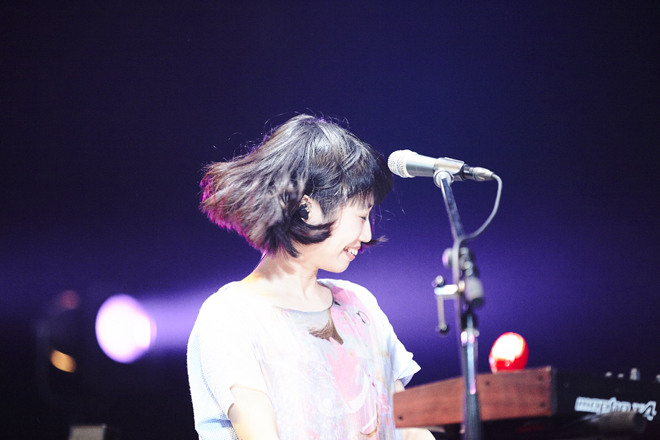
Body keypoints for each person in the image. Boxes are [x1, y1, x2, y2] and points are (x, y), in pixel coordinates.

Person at [187, 114, 434, 440]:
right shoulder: (230, 315)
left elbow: (408, 428)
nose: (367, 234)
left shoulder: (359, 306)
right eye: (361, 216)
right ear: (307, 208)